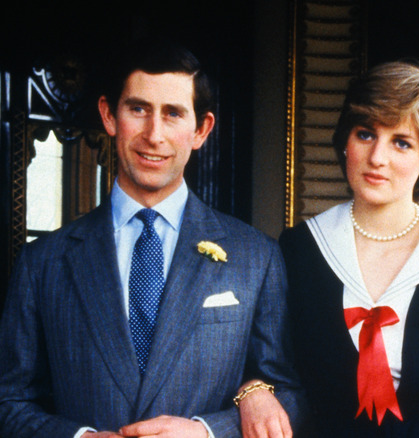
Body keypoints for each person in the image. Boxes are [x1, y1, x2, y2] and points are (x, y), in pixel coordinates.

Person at [0, 40, 302, 438]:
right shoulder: (42, 262)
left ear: (201, 130)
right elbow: (9, 403)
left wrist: (209, 431)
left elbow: (291, 398)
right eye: (138, 109)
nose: (153, 134)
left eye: (173, 113)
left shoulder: (256, 256)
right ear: (109, 116)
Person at [239, 60, 419, 437]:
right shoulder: (299, 251)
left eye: (401, 142)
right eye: (366, 134)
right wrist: (251, 390)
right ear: (345, 141)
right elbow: (264, 365)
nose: (377, 158)